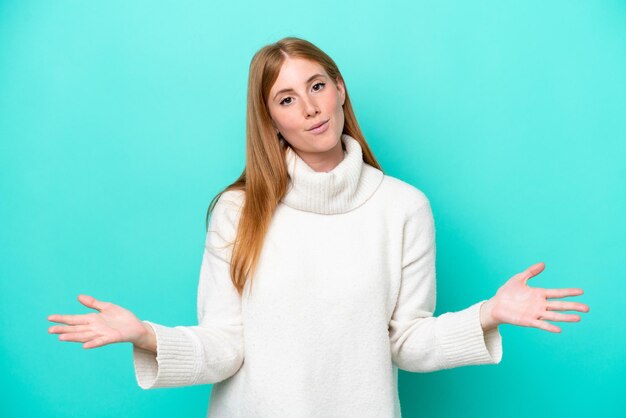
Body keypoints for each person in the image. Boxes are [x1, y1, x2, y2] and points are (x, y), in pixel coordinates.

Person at [47, 36, 590, 418]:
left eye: (316, 86)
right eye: (286, 99)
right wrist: (146, 335)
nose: (309, 108)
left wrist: (489, 315)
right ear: (272, 119)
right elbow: (224, 345)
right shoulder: (239, 211)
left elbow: (408, 342)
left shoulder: (403, 208)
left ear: (340, 88)